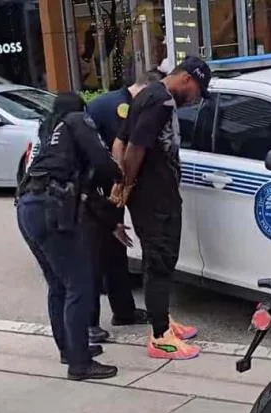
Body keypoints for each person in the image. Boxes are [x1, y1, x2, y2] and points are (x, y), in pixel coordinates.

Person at [16, 92, 129, 381]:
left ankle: (70, 350)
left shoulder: (46, 134)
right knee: (79, 284)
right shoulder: (77, 121)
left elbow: (86, 192)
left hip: (28, 207)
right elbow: (102, 163)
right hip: (50, 207)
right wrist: (121, 175)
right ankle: (80, 364)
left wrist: (110, 221)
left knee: (58, 285)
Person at [111, 55, 212, 360]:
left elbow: (119, 141)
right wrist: (127, 184)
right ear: (186, 79)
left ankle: (162, 319)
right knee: (160, 262)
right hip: (156, 199)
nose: (194, 99)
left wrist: (122, 182)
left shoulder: (146, 94)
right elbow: (135, 147)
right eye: (197, 91)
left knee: (160, 261)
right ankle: (160, 338)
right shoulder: (161, 102)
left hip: (152, 197)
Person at [83, 70, 166, 342]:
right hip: (97, 187)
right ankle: (90, 324)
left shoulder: (125, 103)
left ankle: (124, 311)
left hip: (110, 184)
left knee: (114, 249)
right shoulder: (117, 107)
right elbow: (121, 149)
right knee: (97, 254)